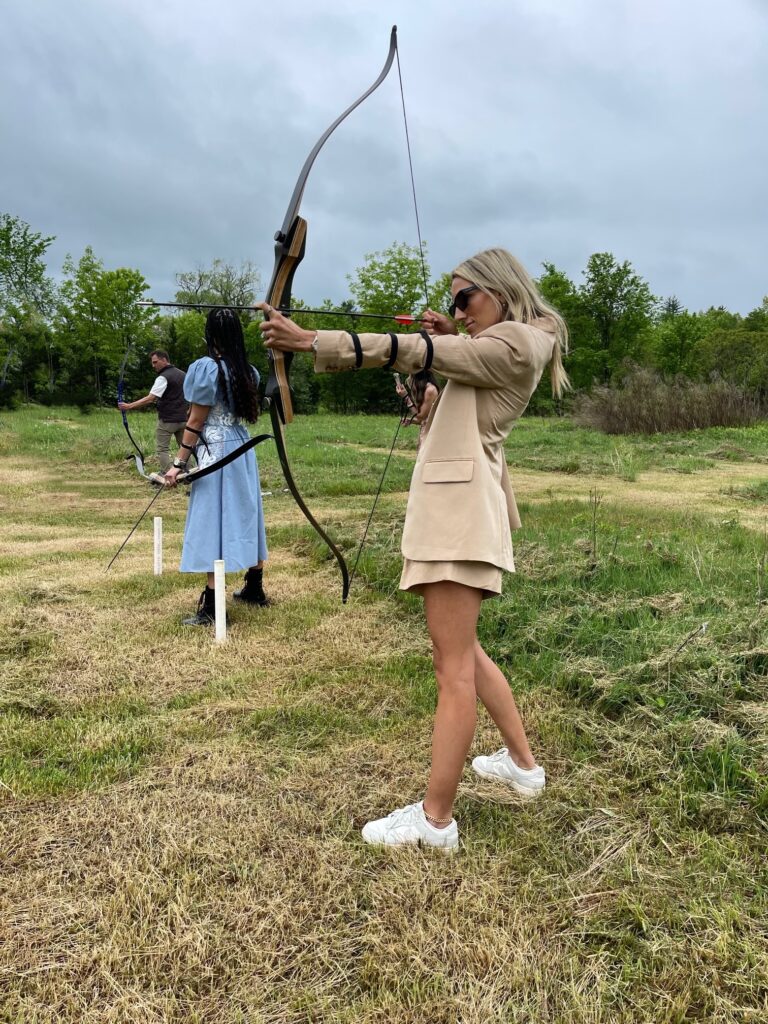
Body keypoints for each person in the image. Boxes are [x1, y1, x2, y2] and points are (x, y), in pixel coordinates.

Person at [258, 248, 569, 850]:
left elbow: (420, 351)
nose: (456, 310)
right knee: (465, 653)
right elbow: (457, 401)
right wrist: (441, 370)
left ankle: (435, 822)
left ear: (500, 292)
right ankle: (524, 768)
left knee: (451, 669)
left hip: (459, 520)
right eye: (452, 301)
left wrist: (313, 341)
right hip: (456, 514)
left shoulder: (520, 343)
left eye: (464, 298)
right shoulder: (489, 347)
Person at [163, 308, 270, 625]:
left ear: (209, 336)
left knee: (213, 520)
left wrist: (178, 464)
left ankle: (212, 608)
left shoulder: (208, 368)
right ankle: (254, 588)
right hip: (241, 448)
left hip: (217, 453)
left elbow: (195, 421)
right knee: (246, 512)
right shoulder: (248, 371)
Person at [117, 350, 191, 472]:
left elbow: (150, 398)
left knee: (163, 449)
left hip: (167, 420)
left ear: (164, 360)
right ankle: (188, 472)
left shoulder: (163, 377)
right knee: (184, 447)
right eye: (152, 363)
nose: (153, 365)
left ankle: (167, 475)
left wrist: (128, 406)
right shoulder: (183, 374)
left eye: (155, 362)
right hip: (184, 419)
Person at [394, 368, 440, 449]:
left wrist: (406, 397)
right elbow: (423, 419)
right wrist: (412, 421)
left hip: (432, 435)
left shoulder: (430, 390)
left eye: (410, 375)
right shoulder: (422, 389)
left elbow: (421, 416)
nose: (408, 379)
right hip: (425, 432)